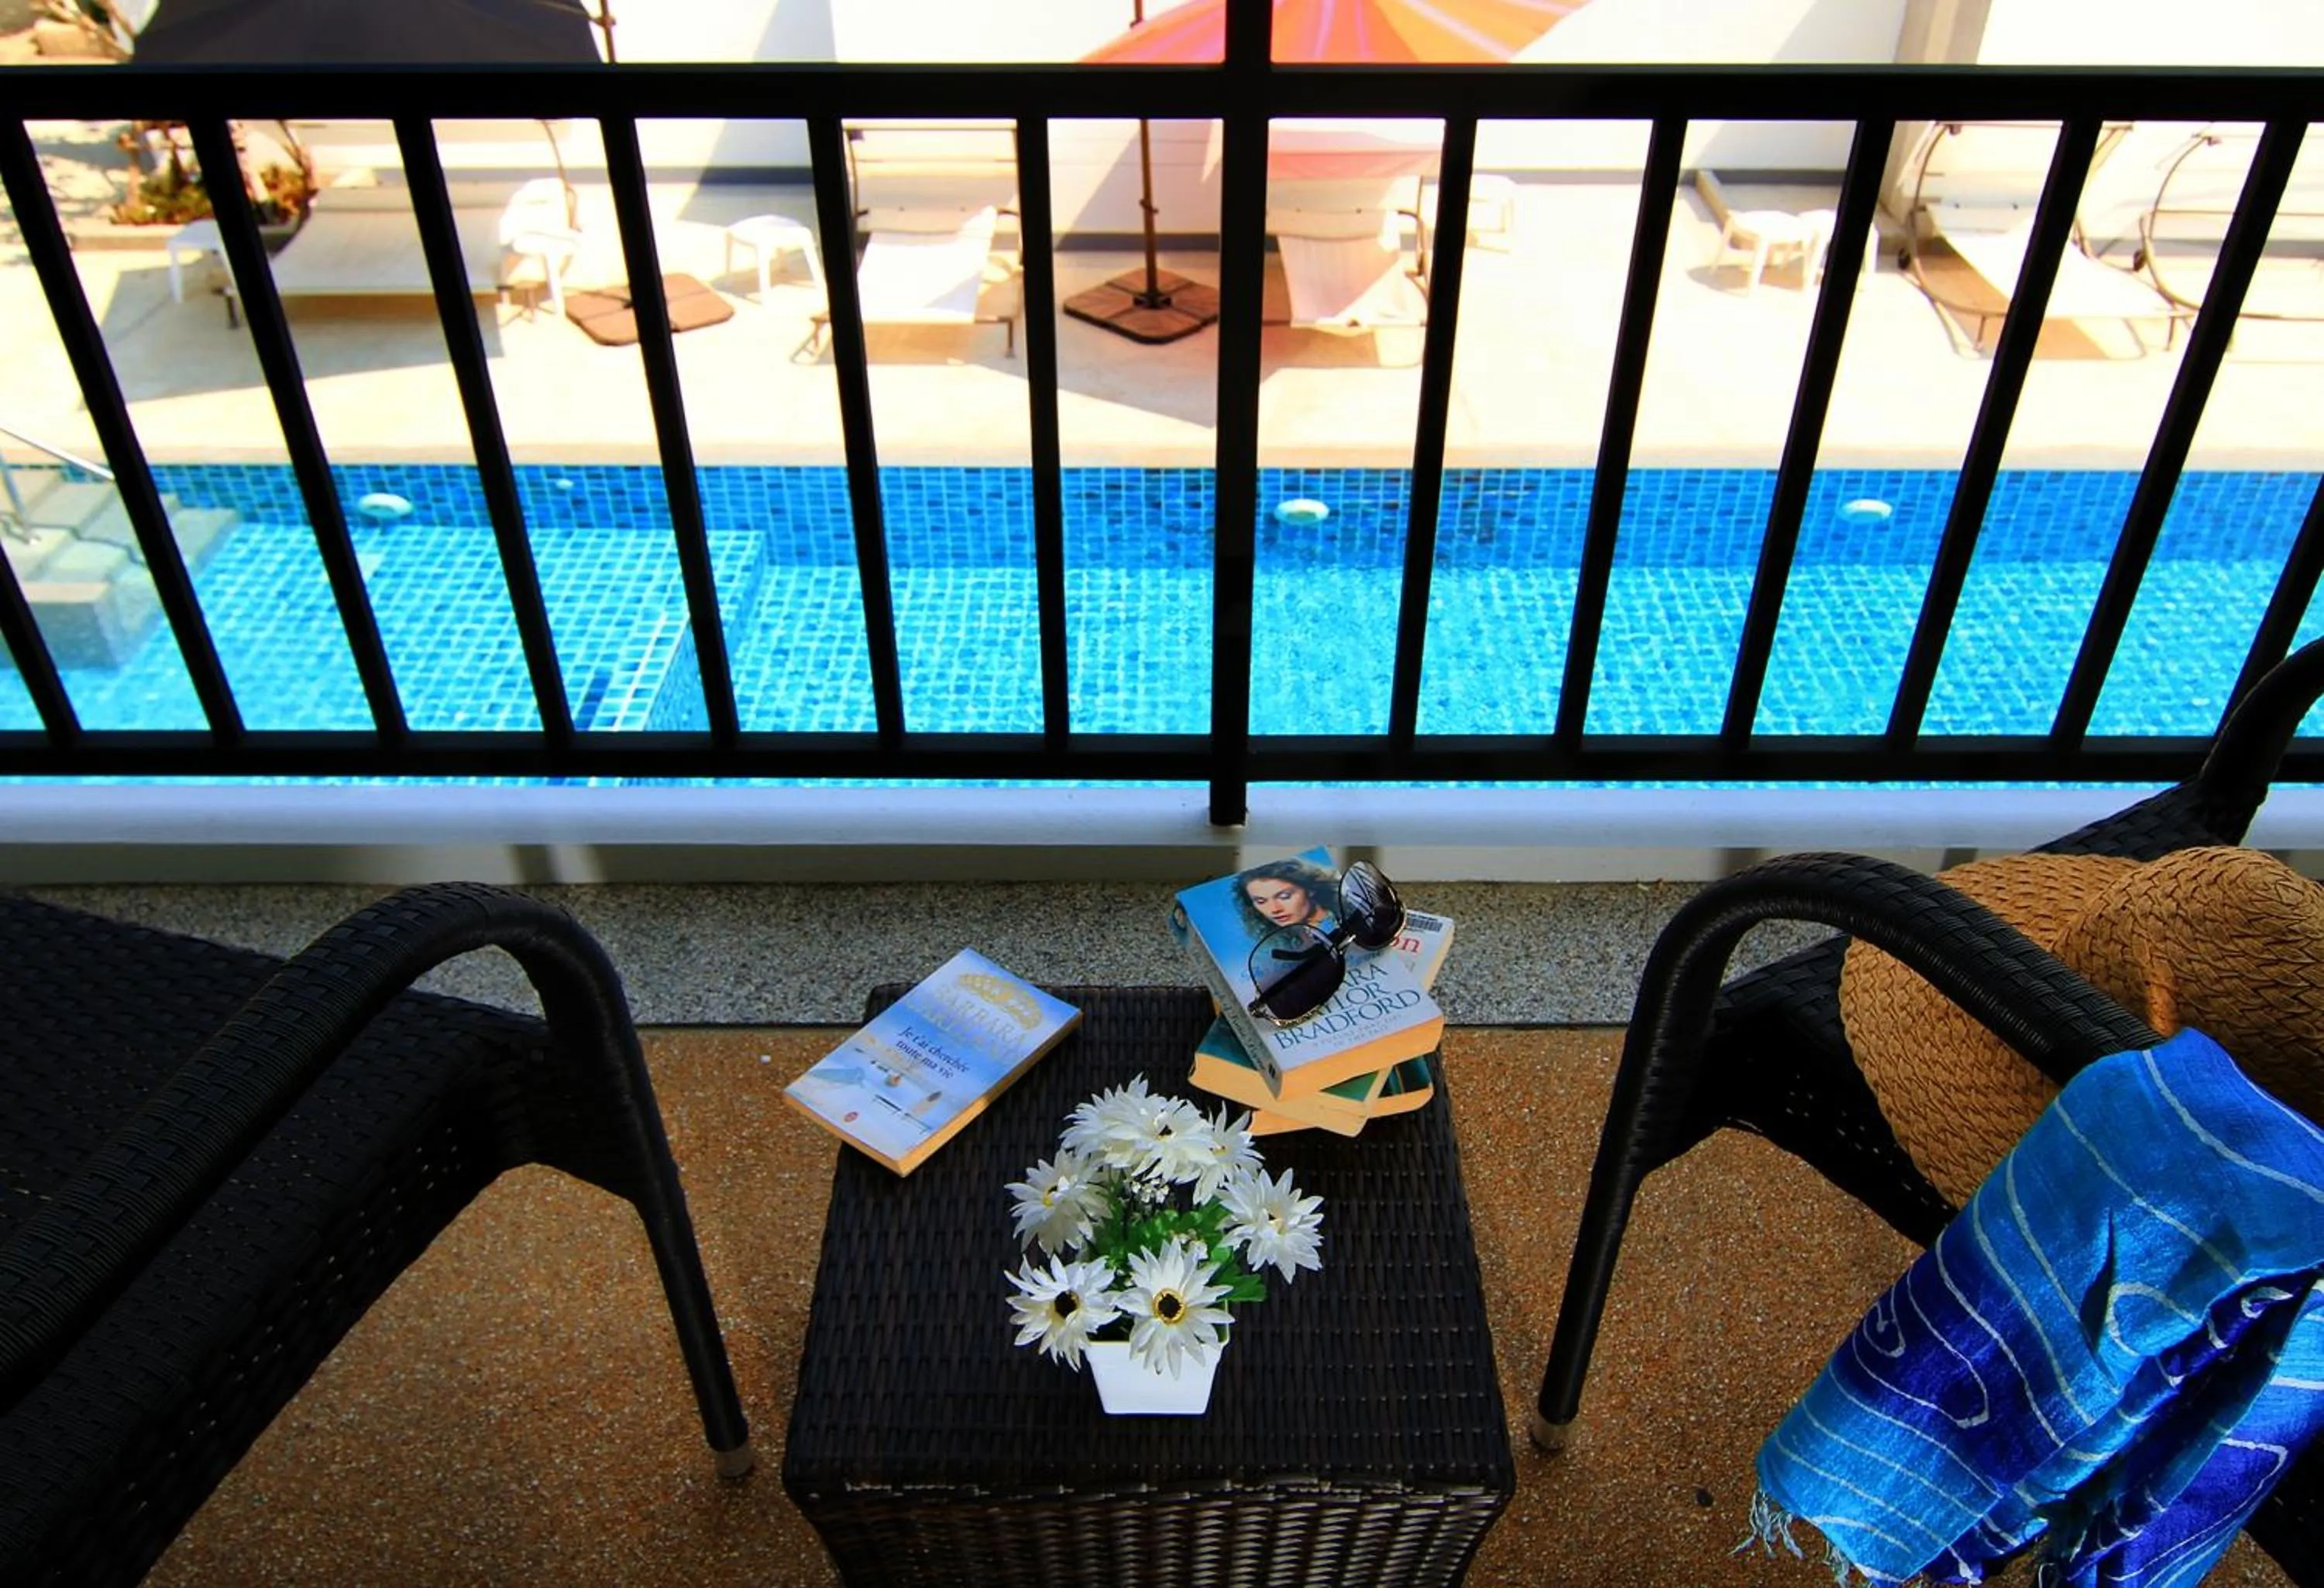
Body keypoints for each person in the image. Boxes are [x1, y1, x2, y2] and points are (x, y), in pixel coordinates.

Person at [1231, 856, 1341, 942]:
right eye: (1261, 901)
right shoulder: (1289, 939)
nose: (1274, 909)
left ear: (1310, 890)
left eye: (1285, 897)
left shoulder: (1341, 918)